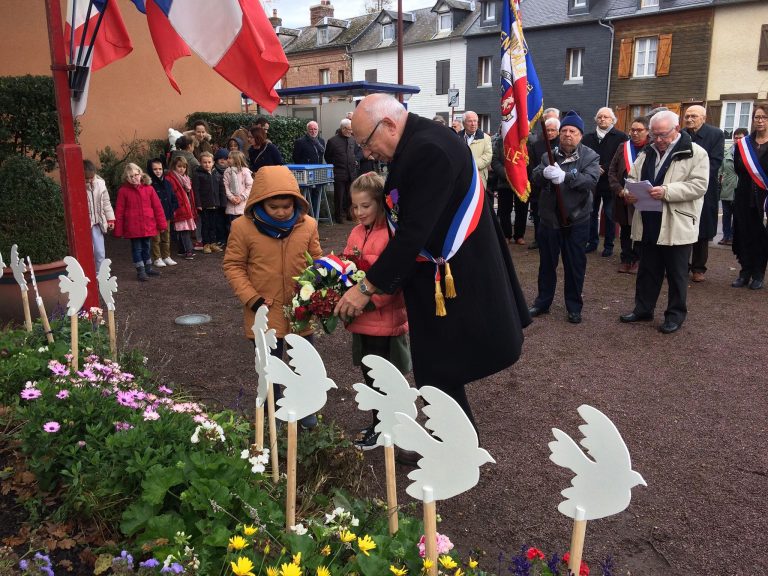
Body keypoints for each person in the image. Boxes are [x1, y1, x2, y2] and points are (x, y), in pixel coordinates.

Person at [334, 93, 530, 437]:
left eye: (366, 142)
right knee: (440, 367)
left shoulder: (427, 150)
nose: (366, 152)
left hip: (454, 274)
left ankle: (454, 444)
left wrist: (366, 288)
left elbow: (412, 234)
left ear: (390, 125)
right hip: (441, 273)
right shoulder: (420, 141)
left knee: (441, 366)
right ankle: (453, 437)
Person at [222, 165, 323, 429]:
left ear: (295, 203)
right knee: (270, 366)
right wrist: (252, 298)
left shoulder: (308, 225)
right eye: (274, 207)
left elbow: (317, 259)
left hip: (301, 310)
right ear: (260, 202)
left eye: (286, 206)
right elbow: (233, 266)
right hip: (264, 310)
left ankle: (305, 406)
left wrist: (321, 282)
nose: (280, 212)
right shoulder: (243, 228)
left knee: (304, 361)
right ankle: (274, 410)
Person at [619, 110, 709, 334]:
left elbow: (699, 185)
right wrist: (628, 190)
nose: (658, 140)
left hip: (676, 222)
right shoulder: (647, 152)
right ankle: (643, 309)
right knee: (648, 270)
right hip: (648, 218)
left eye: (663, 135)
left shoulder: (696, 153)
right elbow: (632, 177)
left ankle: (675, 315)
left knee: (677, 274)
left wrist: (668, 191)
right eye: (655, 135)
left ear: (676, 130)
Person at [342, 171, 410, 450]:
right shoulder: (357, 232)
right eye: (355, 206)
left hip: (384, 320)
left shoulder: (392, 234)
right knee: (370, 376)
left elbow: (395, 280)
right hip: (362, 320)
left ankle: (391, 428)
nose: (358, 212)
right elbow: (346, 268)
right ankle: (380, 425)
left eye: (365, 206)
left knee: (387, 379)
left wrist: (367, 300)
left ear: (380, 204)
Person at [529, 111, 600, 325]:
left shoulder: (590, 156)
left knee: (574, 264)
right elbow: (535, 176)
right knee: (547, 263)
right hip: (550, 219)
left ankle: (574, 306)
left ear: (580, 135)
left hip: (577, 219)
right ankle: (543, 302)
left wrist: (567, 177)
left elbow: (591, 180)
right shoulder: (548, 154)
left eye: (573, 131)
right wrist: (544, 174)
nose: (568, 135)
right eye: (564, 131)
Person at [683, 105, 725, 282]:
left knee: (702, 228)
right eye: (687, 116)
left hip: (705, 188)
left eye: (694, 116)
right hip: (683, 187)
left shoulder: (716, 134)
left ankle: (699, 268)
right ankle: (681, 265)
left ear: (703, 118)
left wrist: (696, 178)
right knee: (683, 225)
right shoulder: (682, 134)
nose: (689, 119)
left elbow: (715, 162)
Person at [583, 107, 628, 257]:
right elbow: (584, 155)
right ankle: (592, 242)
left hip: (611, 181)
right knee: (591, 212)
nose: (602, 119)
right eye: (600, 117)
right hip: (592, 181)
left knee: (610, 214)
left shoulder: (621, 137)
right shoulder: (588, 137)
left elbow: (620, 158)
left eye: (606, 117)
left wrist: (605, 168)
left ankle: (609, 245)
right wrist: (594, 167)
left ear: (612, 120)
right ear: (596, 119)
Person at [731, 104, 768, 289]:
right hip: (744, 197)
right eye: (757, 117)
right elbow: (738, 168)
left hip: (765, 199)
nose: (760, 121)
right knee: (744, 234)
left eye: (764, 117)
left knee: (762, 236)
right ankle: (744, 272)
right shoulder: (743, 144)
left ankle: (758, 274)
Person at [608, 116, 649, 273]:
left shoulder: (652, 148)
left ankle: (638, 259)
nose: (635, 133)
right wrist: (619, 190)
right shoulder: (622, 147)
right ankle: (626, 259)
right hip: (623, 196)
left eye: (639, 130)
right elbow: (612, 171)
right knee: (625, 229)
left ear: (647, 131)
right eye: (632, 130)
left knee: (640, 228)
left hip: (643, 196)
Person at [113, 163, 167, 282]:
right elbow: (119, 211)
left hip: (148, 224)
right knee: (137, 249)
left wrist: (162, 224)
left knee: (147, 247)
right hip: (133, 227)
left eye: (136, 175)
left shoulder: (149, 189)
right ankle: (141, 270)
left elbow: (157, 207)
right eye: (130, 176)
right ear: (126, 178)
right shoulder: (123, 191)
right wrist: (118, 229)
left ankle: (148, 267)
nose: (134, 178)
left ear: (140, 174)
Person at [527, 117, 560, 249]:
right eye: (548, 130)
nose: (550, 133)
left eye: (553, 130)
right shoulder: (536, 145)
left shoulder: (561, 146)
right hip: (539, 186)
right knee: (537, 214)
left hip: (556, 187)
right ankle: (538, 239)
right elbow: (532, 165)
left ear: (558, 131)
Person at [83, 159, 115, 274]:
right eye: (86, 179)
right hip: (85, 225)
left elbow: (106, 203)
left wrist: (110, 219)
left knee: (100, 252)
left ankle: (100, 275)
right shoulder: (78, 186)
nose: (90, 181)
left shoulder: (100, 184)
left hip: (97, 223)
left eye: (91, 178)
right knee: (87, 252)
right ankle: (88, 275)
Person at [718, 127, 748, 246]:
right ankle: (726, 236)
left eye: (740, 137)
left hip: (741, 189)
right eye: (735, 138)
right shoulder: (726, 153)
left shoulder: (749, 154)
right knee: (726, 215)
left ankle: (735, 237)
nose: (737, 140)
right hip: (727, 188)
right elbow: (720, 169)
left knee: (738, 216)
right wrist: (720, 178)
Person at [146, 158, 178, 268]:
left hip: (167, 215)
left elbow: (174, 198)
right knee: (156, 238)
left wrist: (172, 208)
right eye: (155, 169)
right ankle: (157, 258)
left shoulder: (167, 183)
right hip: (154, 217)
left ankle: (166, 256)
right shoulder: (149, 184)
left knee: (166, 237)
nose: (158, 171)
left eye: (160, 169)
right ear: (150, 170)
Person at [192, 152, 227, 254]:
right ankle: (206, 244)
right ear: (200, 162)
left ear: (213, 162)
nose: (207, 164)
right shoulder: (198, 174)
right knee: (205, 225)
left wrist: (223, 203)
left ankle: (213, 243)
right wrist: (198, 204)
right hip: (204, 205)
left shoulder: (216, 173)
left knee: (214, 225)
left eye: (209, 162)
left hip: (215, 204)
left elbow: (221, 189)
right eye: (204, 162)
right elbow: (196, 191)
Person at [325, 118, 358, 222]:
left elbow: (356, 152)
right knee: (339, 196)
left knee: (350, 196)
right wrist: (335, 166)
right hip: (339, 173)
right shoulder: (332, 141)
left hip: (351, 172)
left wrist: (355, 160)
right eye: (349, 129)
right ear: (343, 129)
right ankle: (338, 217)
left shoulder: (352, 139)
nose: (350, 131)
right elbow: (327, 157)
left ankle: (349, 215)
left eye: (351, 129)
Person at [292, 121, 326, 217]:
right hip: (306, 174)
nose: (313, 131)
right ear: (307, 130)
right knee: (306, 196)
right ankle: (305, 216)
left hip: (318, 172)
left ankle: (315, 215)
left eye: (315, 129)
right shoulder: (300, 142)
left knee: (317, 195)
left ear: (318, 130)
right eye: (311, 129)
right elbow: (296, 157)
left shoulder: (321, 141)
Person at [166, 155, 197, 260]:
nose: (182, 169)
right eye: (179, 166)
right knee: (184, 230)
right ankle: (188, 250)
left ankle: (182, 249)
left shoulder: (186, 179)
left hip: (187, 207)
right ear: (174, 166)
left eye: (184, 167)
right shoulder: (170, 179)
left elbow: (189, 194)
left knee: (183, 230)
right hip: (179, 208)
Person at [459, 111, 493, 188]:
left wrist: (472, 166)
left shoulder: (485, 138)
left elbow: (488, 156)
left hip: (479, 176)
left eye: (475, 121)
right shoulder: (457, 137)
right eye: (470, 121)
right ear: (464, 123)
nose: (473, 124)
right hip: (461, 176)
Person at [223, 150, 253, 227]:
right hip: (231, 205)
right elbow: (225, 186)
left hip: (243, 205)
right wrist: (231, 197)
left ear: (236, 159)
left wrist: (241, 197)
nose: (228, 160)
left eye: (230, 158)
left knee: (243, 226)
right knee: (232, 226)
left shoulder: (245, 172)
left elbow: (250, 186)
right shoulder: (227, 172)